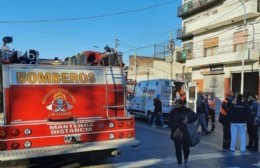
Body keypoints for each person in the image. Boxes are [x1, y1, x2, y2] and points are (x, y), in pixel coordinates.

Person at [168, 99, 198, 168]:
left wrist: (188, 119)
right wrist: (176, 126)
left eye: (178, 105)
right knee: (179, 149)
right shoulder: (173, 111)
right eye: (176, 105)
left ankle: (185, 162)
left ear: (182, 104)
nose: (177, 106)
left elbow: (195, 116)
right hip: (178, 131)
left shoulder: (187, 110)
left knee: (185, 148)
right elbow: (169, 121)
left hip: (185, 131)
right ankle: (180, 164)